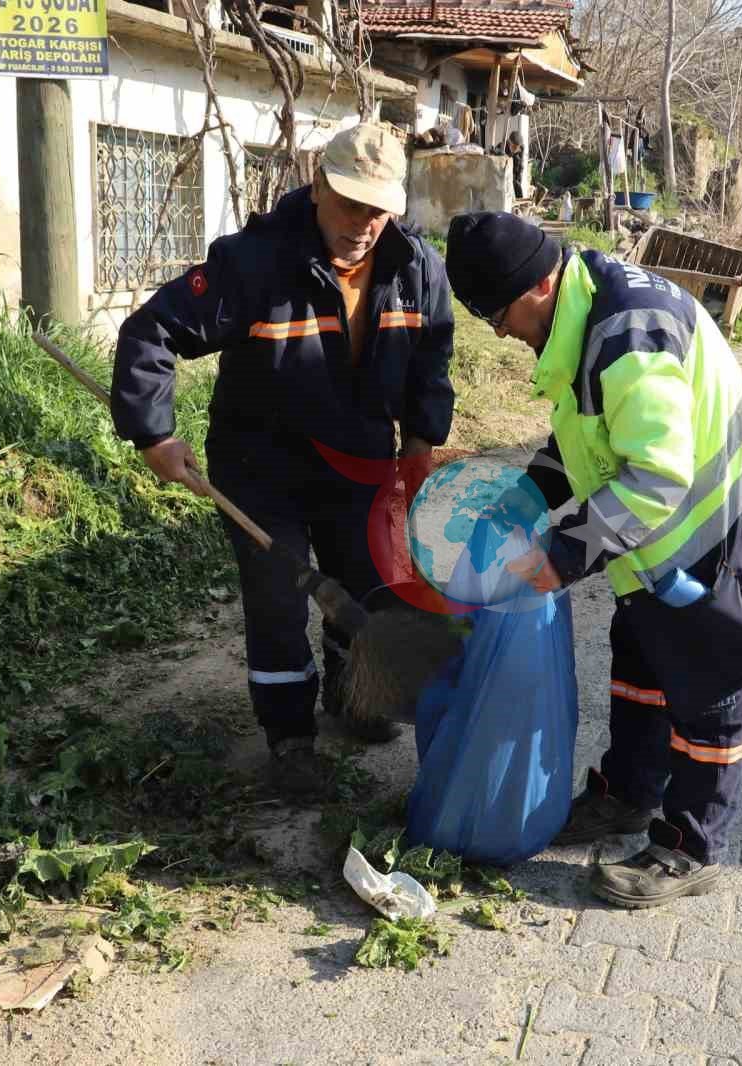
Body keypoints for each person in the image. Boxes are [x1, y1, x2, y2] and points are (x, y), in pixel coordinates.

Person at [443, 212, 742, 908]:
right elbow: (592, 430)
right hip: (667, 547)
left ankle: (692, 847)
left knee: (712, 689)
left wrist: (564, 554)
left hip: (730, 540)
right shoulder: (583, 303)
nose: (500, 332)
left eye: (498, 314)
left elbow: (656, 478)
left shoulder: (628, 333)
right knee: (641, 658)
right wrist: (530, 495)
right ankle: (626, 793)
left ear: (538, 282)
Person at [110, 124, 456, 796]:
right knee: (277, 599)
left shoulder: (416, 267)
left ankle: (353, 700)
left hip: (358, 459)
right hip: (259, 462)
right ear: (319, 185)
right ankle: (291, 740)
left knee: (362, 587)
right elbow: (151, 331)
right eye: (350, 204)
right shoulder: (254, 262)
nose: (363, 225)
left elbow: (431, 362)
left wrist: (420, 445)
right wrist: (153, 435)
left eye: (378, 209)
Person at [504, 130, 525, 201]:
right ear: (509, 142)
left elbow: (521, 166)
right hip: (505, 172)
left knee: (517, 186)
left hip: (515, 170)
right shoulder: (503, 146)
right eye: (514, 147)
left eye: (517, 147)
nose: (515, 149)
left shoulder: (521, 148)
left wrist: (519, 180)